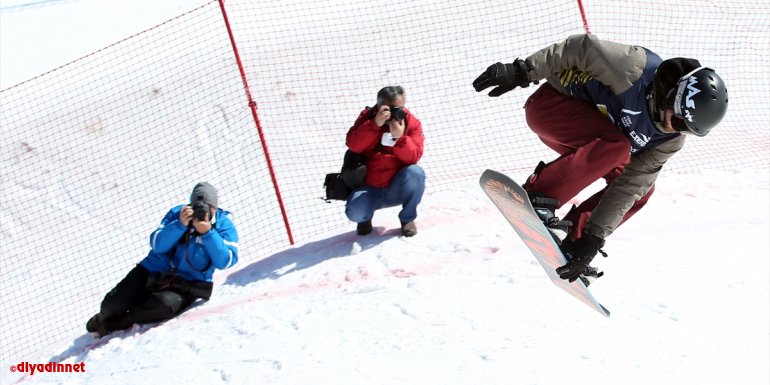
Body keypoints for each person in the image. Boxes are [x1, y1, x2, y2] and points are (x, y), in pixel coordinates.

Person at [473, 34, 728, 283]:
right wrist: (522, 71)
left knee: (641, 189)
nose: (678, 130)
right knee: (619, 147)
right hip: (551, 107)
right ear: (673, 98)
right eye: (680, 121)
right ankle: (539, 194)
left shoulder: (670, 140)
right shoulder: (634, 70)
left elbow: (632, 186)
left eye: (688, 129)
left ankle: (576, 238)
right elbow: (580, 48)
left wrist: (593, 238)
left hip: (591, 144)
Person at [86, 182, 239, 337]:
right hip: (153, 269)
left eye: (208, 207)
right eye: (198, 206)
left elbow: (225, 261)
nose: (203, 211)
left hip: (186, 283)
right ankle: (103, 317)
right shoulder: (178, 213)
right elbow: (157, 245)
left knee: (163, 305)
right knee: (113, 303)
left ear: (215, 207)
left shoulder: (223, 225)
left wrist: (208, 233)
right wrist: (179, 225)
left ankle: (113, 325)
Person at [345, 86, 426, 237]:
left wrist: (400, 138)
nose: (395, 113)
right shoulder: (367, 117)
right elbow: (353, 145)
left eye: (399, 108)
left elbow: (414, 156)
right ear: (379, 105)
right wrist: (374, 125)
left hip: (397, 186)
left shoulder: (411, 122)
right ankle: (365, 218)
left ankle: (407, 219)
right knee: (355, 212)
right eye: (389, 109)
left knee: (416, 172)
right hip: (369, 187)